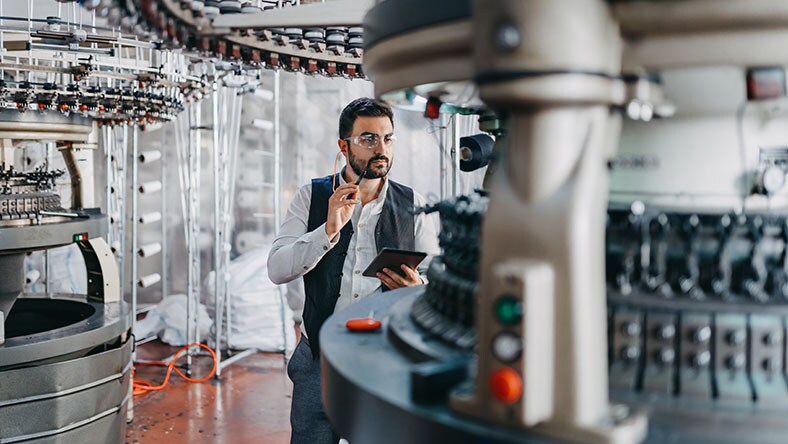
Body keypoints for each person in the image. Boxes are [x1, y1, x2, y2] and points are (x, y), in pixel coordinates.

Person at [268, 97, 440, 444]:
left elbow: (438, 282)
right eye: (368, 139)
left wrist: (417, 285)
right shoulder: (312, 196)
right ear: (343, 146)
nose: (382, 149)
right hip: (319, 356)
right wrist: (328, 230)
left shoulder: (414, 203)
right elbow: (277, 269)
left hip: (387, 359)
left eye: (388, 138)